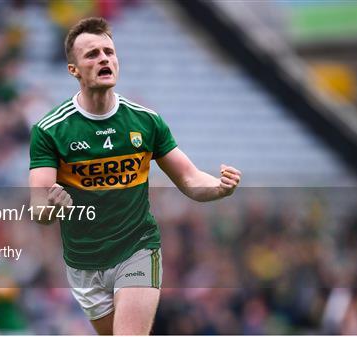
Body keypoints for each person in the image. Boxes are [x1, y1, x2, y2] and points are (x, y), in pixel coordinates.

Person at [29, 17, 241, 335]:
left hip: (137, 249)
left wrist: (219, 187)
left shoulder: (145, 121)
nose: (104, 58)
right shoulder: (51, 129)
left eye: (109, 52)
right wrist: (53, 206)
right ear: (73, 69)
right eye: (92, 54)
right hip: (84, 262)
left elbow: (190, 178)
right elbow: (38, 208)